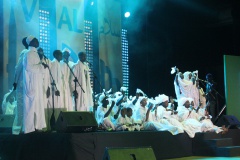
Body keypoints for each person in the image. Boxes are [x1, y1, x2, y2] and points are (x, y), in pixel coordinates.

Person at [22, 35, 48, 133]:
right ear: (31, 42)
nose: (37, 41)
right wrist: (41, 66)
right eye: (35, 40)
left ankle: (38, 126)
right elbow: (29, 68)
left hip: (37, 83)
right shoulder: (28, 53)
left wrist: (42, 64)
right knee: (30, 107)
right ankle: (29, 129)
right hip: (31, 83)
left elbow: (38, 69)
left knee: (38, 106)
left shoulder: (36, 54)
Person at [12, 37, 28, 134]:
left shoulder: (32, 53)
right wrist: (15, 81)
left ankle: (26, 128)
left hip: (29, 85)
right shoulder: (25, 52)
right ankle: (17, 130)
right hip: (22, 84)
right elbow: (18, 68)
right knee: (21, 107)